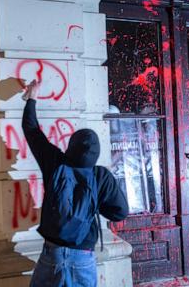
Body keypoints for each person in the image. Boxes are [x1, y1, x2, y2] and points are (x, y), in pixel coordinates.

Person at [22, 80, 129, 287]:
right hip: (83, 255)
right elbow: (120, 212)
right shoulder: (101, 176)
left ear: (71, 145)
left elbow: (31, 130)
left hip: (52, 253)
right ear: (97, 152)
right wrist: (93, 205)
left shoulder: (55, 163)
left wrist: (32, 97)